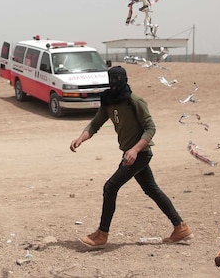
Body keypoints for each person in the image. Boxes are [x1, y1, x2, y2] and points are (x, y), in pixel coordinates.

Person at [69, 66, 191, 248]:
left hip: (140, 154)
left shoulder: (134, 101)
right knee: (152, 189)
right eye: (112, 80)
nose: (115, 84)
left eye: (118, 80)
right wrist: (81, 138)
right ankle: (180, 227)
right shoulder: (109, 101)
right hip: (130, 154)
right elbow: (95, 124)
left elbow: (151, 128)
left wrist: (134, 150)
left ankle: (102, 234)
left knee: (110, 187)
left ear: (125, 80)